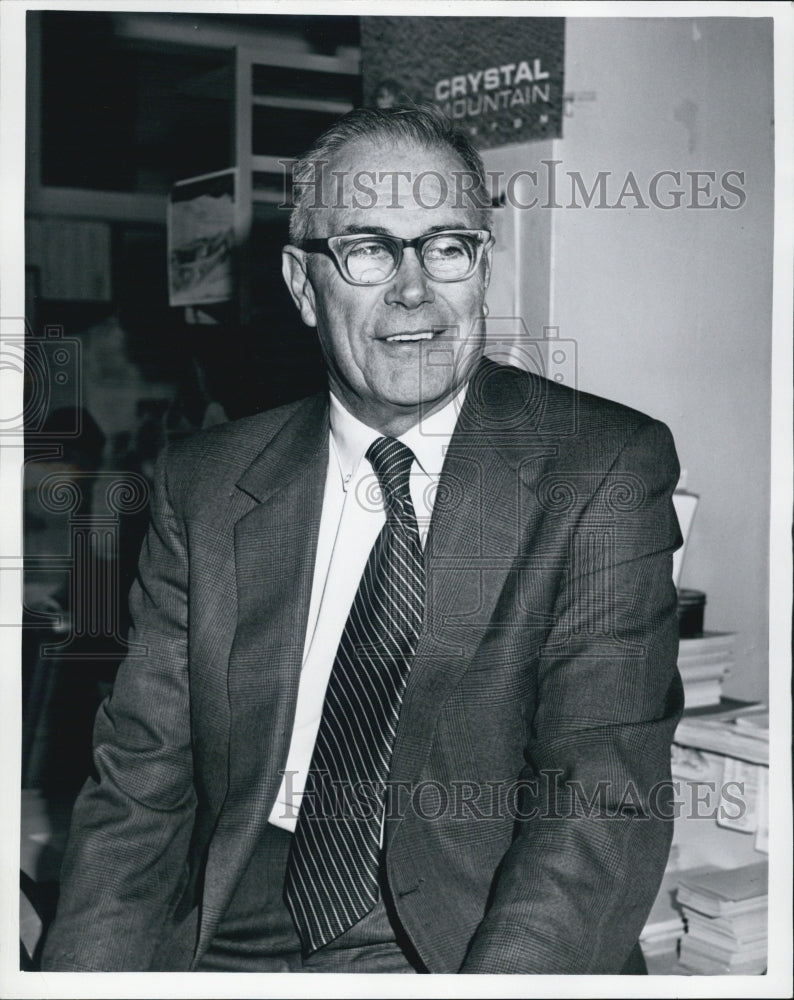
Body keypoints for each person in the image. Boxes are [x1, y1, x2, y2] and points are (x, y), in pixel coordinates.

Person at [41, 106, 683, 975]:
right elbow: (139, 786)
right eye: (370, 250)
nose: (414, 290)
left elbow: (601, 796)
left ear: (483, 266)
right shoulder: (204, 482)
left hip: (468, 930)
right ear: (305, 286)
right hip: (234, 910)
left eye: (447, 246)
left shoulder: (601, 467)